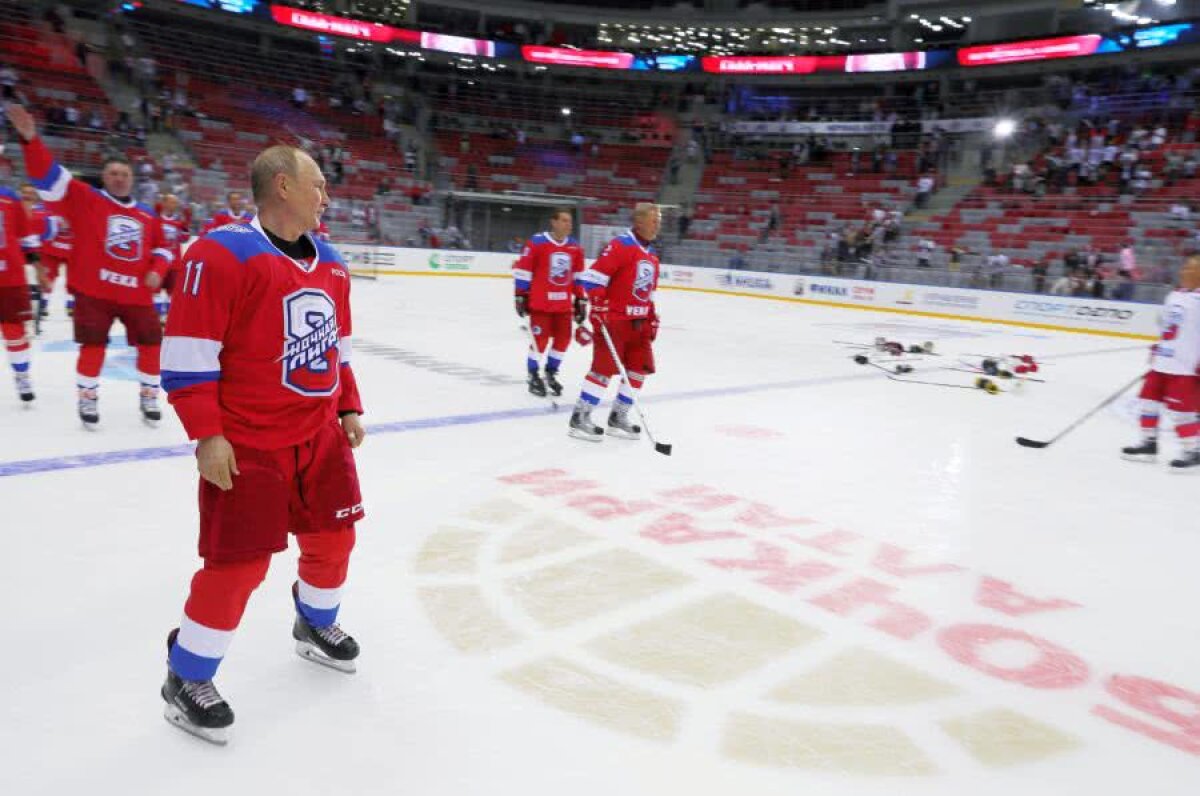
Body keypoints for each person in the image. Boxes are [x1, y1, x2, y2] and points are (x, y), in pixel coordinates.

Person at [159, 144, 366, 744]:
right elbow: (189, 354)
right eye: (318, 185)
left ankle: (314, 624)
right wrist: (206, 433)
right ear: (282, 185)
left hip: (320, 434)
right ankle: (187, 675)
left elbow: (337, 347)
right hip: (249, 443)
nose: (326, 196)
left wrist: (348, 404)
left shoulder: (330, 262)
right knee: (239, 567)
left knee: (335, 538)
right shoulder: (219, 253)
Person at [8, 102, 172, 427]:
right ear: (104, 176)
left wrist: (157, 270)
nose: (120, 178)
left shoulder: (147, 214)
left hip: (137, 295)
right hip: (94, 293)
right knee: (93, 346)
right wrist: (31, 141)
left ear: (132, 178)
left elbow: (164, 248)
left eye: (125, 173)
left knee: (153, 344)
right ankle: (87, 397)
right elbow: (49, 179)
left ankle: (149, 395)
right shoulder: (86, 199)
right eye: (113, 173)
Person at [569, 202, 661, 442]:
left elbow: (649, 293)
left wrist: (652, 318)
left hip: (639, 324)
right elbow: (593, 278)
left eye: (659, 220)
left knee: (638, 369)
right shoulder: (621, 245)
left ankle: (617, 417)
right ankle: (580, 418)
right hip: (615, 321)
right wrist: (598, 305)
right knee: (603, 370)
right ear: (639, 221)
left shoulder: (651, 255)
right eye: (654, 220)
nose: (657, 225)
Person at [1122, 256, 1200, 471]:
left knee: (1182, 412)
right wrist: (1159, 345)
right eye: (1185, 267)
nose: (1185, 272)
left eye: (1192, 269)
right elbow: (1165, 325)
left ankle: (1192, 451)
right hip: (1163, 362)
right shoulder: (1173, 295)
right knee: (1148, 403)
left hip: (1185, 367)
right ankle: (1148, 443)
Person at [513, 207, 586, 398]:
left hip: (563, 306)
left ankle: (551, 372)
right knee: (540, 341)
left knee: (563, 341)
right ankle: (533, 374)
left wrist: (580, 299)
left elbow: (577, 276)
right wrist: (520, 295)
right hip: (541, 304)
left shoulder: (575, 247)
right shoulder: (537, 242)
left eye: (570, 221)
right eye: (563, 220)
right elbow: (524, 270)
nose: (568, 225)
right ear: (553, 222)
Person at [0, 184, 39, 402]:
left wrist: (38, 267)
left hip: (9, 278)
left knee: (13, 331)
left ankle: (22, 375)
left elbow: (26, 236)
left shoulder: (8, 196)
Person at [20, 182, 72, 319]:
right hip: (51, 249)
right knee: (48, 277)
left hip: (72, 250)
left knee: (74, 279)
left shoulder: (79, 208)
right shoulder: (44, 207)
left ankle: (71, 305)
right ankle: (43, 304)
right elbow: (39, 225)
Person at [156, 193, 189, 320]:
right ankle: (157, 316)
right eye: (171, 202)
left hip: (175, 264)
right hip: (159, 262)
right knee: (156, 293)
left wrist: (185, 226)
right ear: (164, 203)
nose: (174, 205)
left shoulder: (179, 222)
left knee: (173, 293)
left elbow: (184, 239)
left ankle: (169, 319)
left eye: (175, 203)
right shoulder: (156, 219)